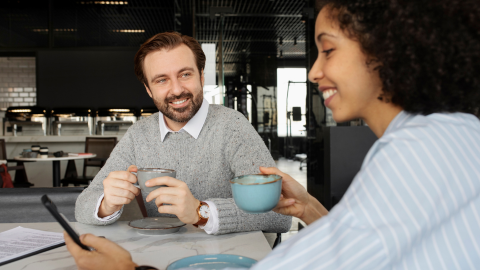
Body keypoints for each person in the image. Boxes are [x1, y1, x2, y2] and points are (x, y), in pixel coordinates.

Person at [67, 0, 480, 269]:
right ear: (148, 89)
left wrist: (133, 267)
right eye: (161, 80)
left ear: (386, 50)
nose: (315, 71)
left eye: (328, 50)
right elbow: (357, 241)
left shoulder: (418, 152)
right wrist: (310, 209)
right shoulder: (442, 137)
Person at [74, 31, 291, 235]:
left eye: (185, 74)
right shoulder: (139, 134)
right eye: (161, 80)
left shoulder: (232, 126)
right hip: (161, 257)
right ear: (148, 89)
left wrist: (201, 212)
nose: (177, 90)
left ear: (201, 77)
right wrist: (106, 203)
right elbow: (82, 206)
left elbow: (279, 215)